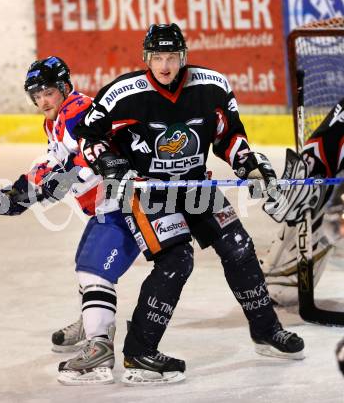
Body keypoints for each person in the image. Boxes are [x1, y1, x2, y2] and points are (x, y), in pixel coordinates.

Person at [74, 23, 305, 385]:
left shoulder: (210, 86)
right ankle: (139, 353)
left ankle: (266, 331)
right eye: (157, 58)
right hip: (149, 192)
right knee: (177, 260)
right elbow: (88, 136)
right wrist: (109, 163)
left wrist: (249, 166)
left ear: (184, 57)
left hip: (196, 184)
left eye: (172, 57)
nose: (165, 66)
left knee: (239, 247)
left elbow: (229, 135)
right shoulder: (123, 94)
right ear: (146, 58)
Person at [0, 56, 140, 385]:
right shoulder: (54, 120)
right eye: (36, 95)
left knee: (93, 269)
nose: (42, 101)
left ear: (62, 88)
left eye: (47, 92)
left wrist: (33, 194)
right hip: (105, 204)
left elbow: (81, 168)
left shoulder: (77, 112)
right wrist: (20, 190)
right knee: (83, 261)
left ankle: (99, 344)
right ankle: (92, 322)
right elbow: (53, 163)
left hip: (125, 202)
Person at [261, 97, 344, 306]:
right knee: (307, 204)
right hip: (322, 178)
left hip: (323, 170)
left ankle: (276, 276)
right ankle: (276, 276)